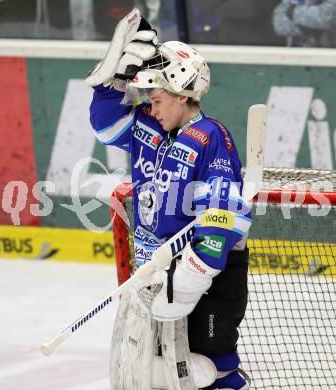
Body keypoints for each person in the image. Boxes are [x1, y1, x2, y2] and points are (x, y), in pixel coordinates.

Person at [87, 8, 251, 390]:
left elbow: (224, 211)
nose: (151, 106)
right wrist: (112, 81)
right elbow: (105, 123)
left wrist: (195, 273)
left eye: (158, 99)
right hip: (154, 273)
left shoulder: (211, 136)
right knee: (160, 372)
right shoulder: (146, 123)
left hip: (209, 276)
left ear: (182, 94)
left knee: (210, 369)